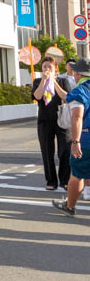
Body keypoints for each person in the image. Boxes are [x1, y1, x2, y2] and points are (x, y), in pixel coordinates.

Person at [54, 58, 90, 217]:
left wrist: (75, 141)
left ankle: (70, 206)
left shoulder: (80, 91)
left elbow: (77, 117)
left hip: (86, 139)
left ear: (77, 73)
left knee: (76, 174)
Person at [34, 57, 72, 191]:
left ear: (56, 68)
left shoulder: (63, 80)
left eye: (49, 66)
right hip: (44, 120)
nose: (47, 69)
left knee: (65, 150)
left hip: (61, 119)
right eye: (44, 67)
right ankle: (51, 180)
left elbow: (66, 97)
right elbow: (37, 96)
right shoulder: (38, 81)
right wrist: (44, 81)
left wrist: (54, 82)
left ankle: (64, 180)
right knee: (47, 151)